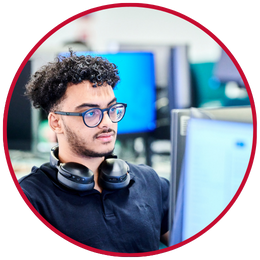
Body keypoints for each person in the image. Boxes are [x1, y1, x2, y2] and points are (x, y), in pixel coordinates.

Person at [19, 50, 169, 253]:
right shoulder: (32, 199)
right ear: (56, 122)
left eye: (112, 109)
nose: (107, 123)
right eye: (91, 113)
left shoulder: (149, 181)